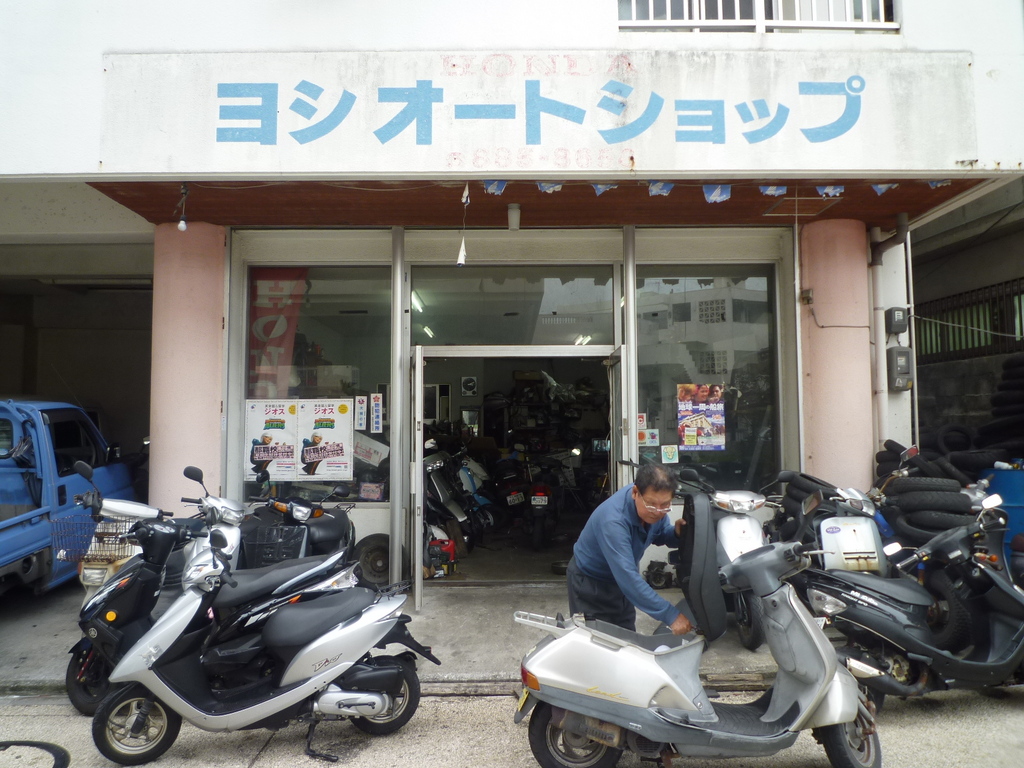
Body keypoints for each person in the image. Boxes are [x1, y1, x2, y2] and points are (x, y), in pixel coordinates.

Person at [567, 464, 693, 635]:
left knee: (626, 638)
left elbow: (660, 533)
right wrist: (671, 615)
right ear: (635, 493)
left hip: (620, 585)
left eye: (665, 505)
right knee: (594, 641)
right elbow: (628, 578)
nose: (657, 512)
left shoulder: (652, 507)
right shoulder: (613, 521)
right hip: (590, 584)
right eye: (651, 505)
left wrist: (676, 534)